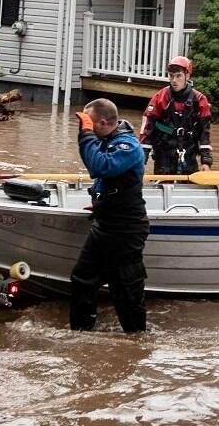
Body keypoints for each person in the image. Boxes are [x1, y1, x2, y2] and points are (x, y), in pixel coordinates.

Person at [70, 98, 150, 333]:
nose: (87, 130)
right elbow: (104, 180)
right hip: (104, 225)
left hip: (127, 229)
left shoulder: (129, 146)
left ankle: (136, 343)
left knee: (125, 290)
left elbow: (101, 167)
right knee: (82, 279)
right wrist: (100, 202)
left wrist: (85, 134)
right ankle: (80, 334)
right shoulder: (107, 139)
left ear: (103, 123)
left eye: (89, 124)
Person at [139, 56, 213, 174]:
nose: (174, 80)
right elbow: (147, 130)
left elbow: (205, 133)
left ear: (187, 76)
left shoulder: (199, 100)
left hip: (188, 156)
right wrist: (141, 161)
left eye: (178, 76)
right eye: (171, 76)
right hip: (163, 156)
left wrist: (206, 161)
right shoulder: (160, 98)